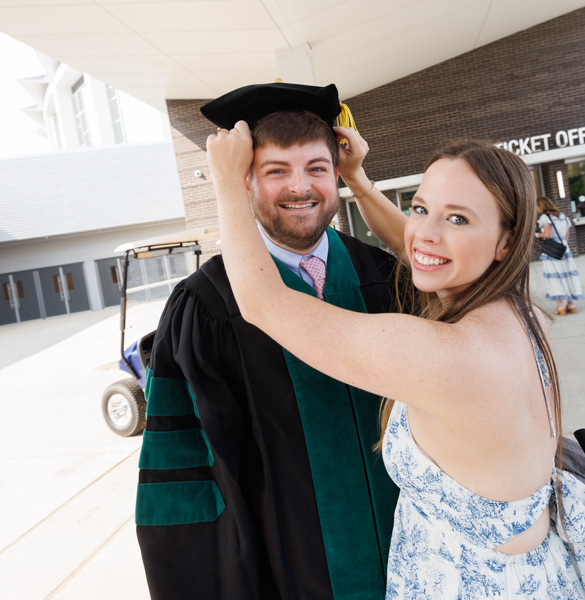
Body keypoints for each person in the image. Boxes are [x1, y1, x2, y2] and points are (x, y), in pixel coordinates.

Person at [207, 117, 585, 598]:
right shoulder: (522, 314)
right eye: (421, 207)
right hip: (537, 572)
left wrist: (227, 182)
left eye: (458, 217)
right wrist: (357, 179)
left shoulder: (444, 357)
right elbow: (424, 245)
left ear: (506, 241)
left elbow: (263, 303)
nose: (424, 233)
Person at [135, 83, 399, 599]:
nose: (300, 187)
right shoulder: (206, 306)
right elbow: (187, 476)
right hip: (291, 568)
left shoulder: (382, 275)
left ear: (337, 174)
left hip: (418, 550)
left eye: (316, 168)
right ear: (246, 182)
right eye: (276, 170)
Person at [536, 196, 584, 316]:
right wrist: (563, 244)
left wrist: (535, 234)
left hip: (552, 252)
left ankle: (560, 307)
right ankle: (571, 305)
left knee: (555, 278)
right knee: (567, 276)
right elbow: (567, 233)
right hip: (564, 250)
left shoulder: (545, 217)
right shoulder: (562, 215)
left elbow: (546, 234)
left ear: (541, 206)